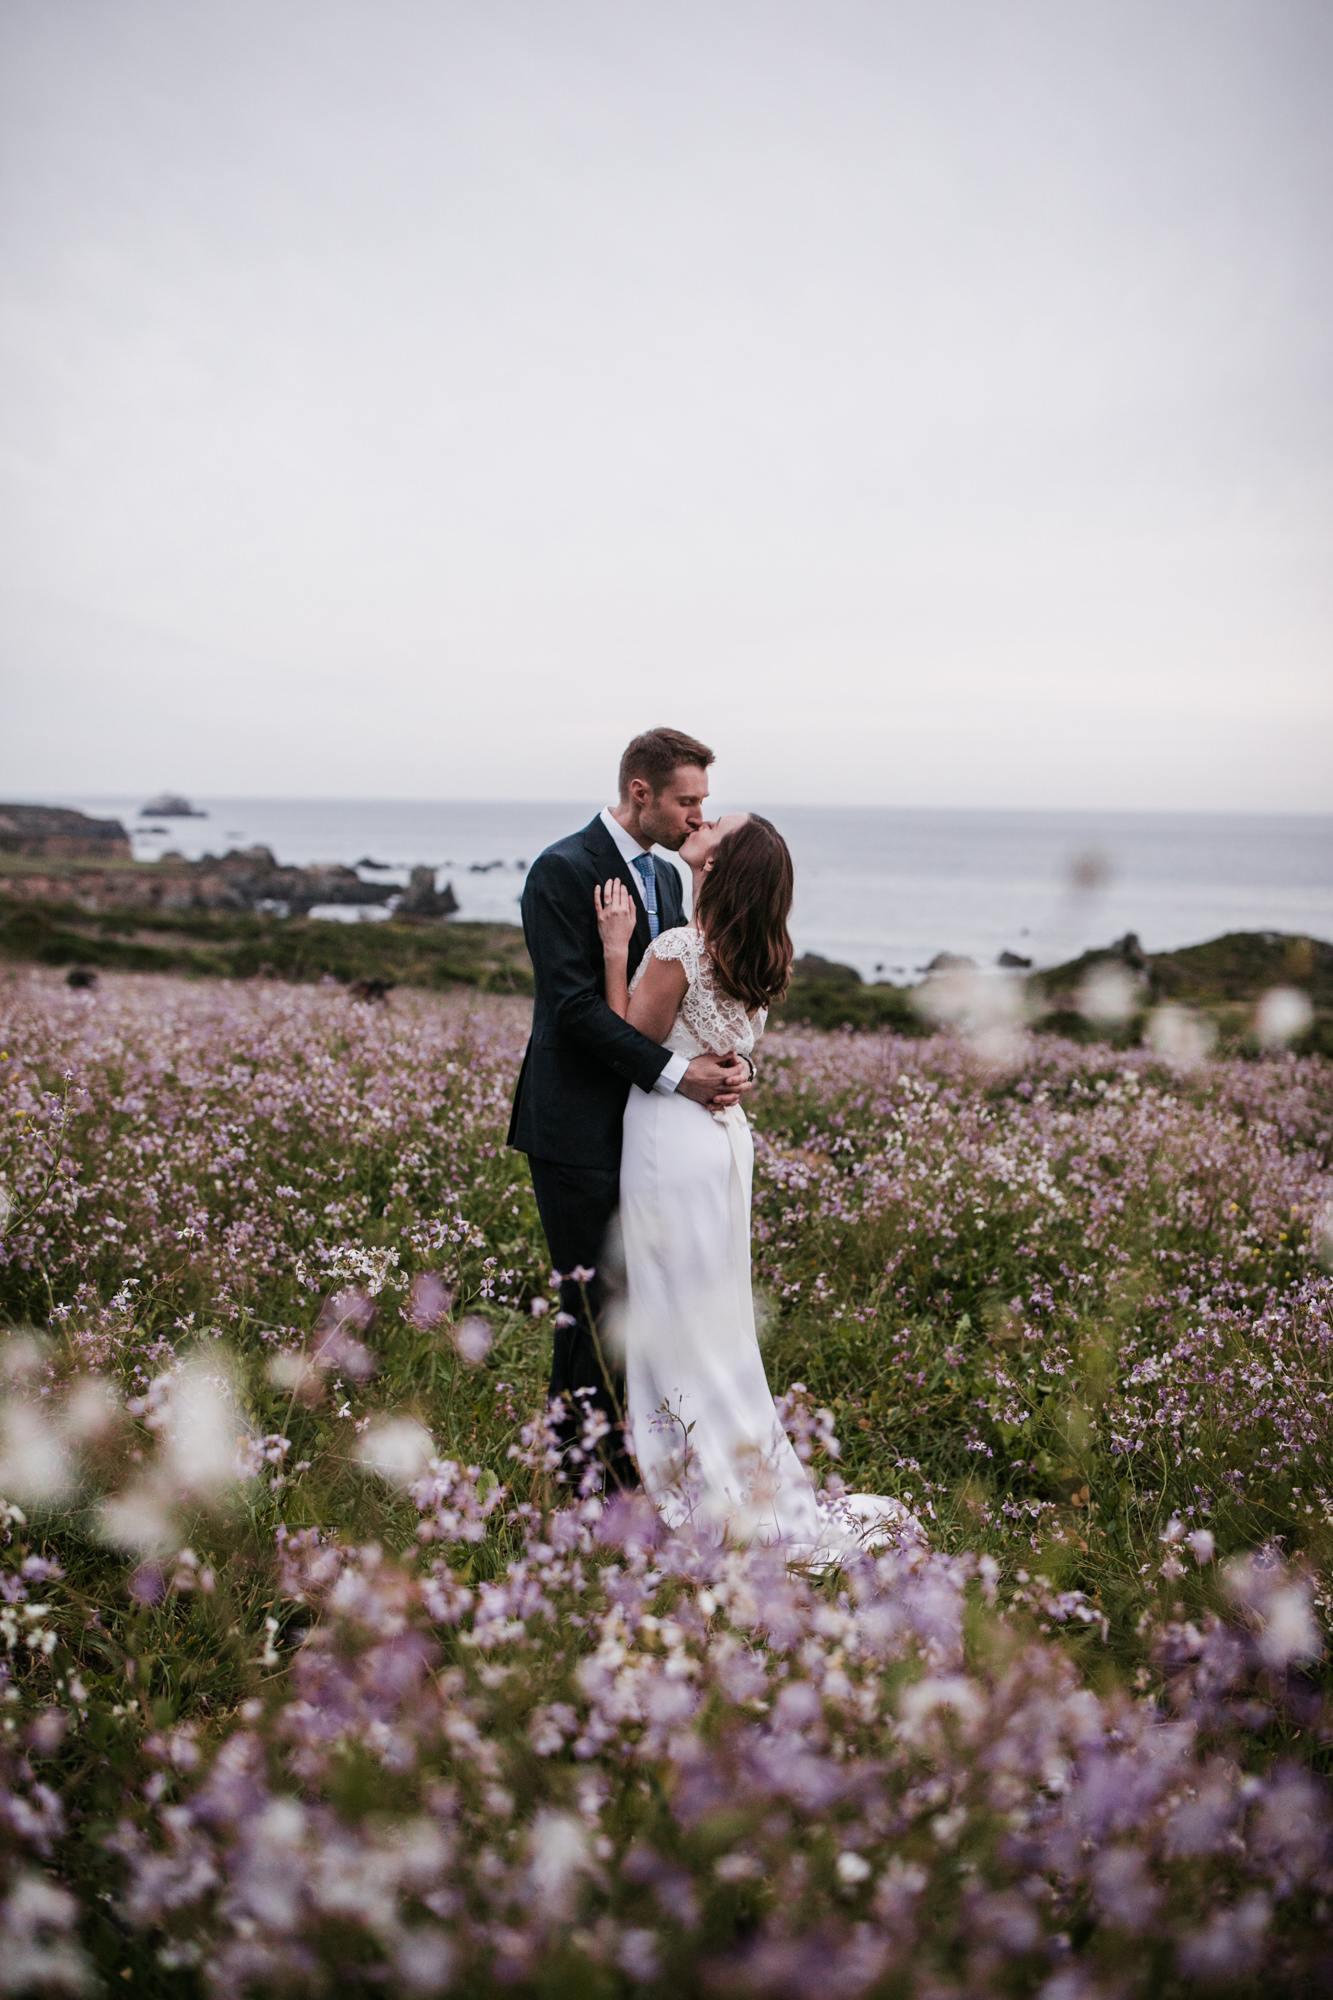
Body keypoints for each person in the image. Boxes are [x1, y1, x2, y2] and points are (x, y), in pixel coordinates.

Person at [596, 811, 909, 1566]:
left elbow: (623, 1042)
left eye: (717, 823)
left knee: (670, 1301)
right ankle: (732, 1450)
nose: (701, 820)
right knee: (717, 1306)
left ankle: (686, 1466)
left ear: (719, 863)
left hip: (670, 1137)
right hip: (724, 1142)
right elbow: (721, 1046)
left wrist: (613, 950)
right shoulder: (763, 953)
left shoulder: (676, 949)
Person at [507, 727, 751, 1483]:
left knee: (643, 1301)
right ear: (639, 792)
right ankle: (573, 1483)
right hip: (576, 1124)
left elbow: (673, 996)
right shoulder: (561, 869)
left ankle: (630, 1467)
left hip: (651, 1134)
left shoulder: (672, 879)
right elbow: (575, 1009)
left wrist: (726, 1061)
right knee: (588, 1302)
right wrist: (683, 1075)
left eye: (701, 802)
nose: (695, 815)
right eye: (686, 800)